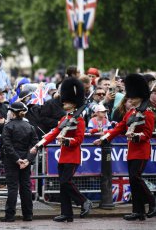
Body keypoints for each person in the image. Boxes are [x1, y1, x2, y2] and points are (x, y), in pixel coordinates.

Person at [94, 74, 156, 221]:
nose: (130, 100)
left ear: (140, 97)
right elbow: (119, 128)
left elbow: (147, 134)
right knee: (133, 181)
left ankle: (153, 201)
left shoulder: (148, 114)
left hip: (141, 151)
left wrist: (134, 136)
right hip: (132, 151)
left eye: (133, 98)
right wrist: (104, 138)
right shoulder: (130, 113)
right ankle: (138, 211)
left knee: (136, 178)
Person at [30, 77, 92, 222]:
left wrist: (66, 141)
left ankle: (83, 201)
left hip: (73, 156)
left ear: (74, 103)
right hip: (63, 156)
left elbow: (79, 140)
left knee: (65, 182)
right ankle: (67, 214)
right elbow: (53, 133)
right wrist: (39, 144)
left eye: (67, 101)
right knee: (63, 186)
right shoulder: (64, 119)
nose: (64, 103)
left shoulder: (80, 120)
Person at [0, 102, 39, 222]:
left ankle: (10, 216)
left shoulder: (8, 126)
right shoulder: (30, 126)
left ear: (12, 112)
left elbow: (7, 145)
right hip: (25, 161)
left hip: (12, 161)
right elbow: (35, 145)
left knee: (12, 187)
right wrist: (28, 159)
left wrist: (17, 159)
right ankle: (28, 215)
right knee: (25, 187)